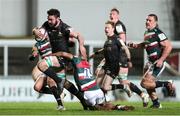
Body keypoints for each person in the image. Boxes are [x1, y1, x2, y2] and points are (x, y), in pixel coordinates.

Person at [52, 39, 134, 111]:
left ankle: (94, 106)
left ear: (79, 54)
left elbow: (63, 53)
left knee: (92, 107)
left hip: (88, 93)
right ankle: (118, 107)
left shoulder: (76, 60)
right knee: (106, 105)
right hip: (98, 90)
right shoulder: (86, 63)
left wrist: (52, 55)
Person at [32, 8, 88, 110]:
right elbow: (38, 31)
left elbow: (79, 35)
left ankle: (58, 81)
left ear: (58, 19)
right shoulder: (46, 25)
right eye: (48, 19)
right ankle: (84, 102)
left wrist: (81, 47)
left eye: (51, 19)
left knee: (41, 64)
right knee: (62, 83)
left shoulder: (64, 28)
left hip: (64, 58)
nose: (49, 21)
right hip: (56, 57)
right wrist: (35, 31)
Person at [95, 8, 149, 107]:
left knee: (121, 81)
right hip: (115, 58)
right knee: (101, 75)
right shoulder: (111, 29)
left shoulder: (118, 26)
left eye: (114, 14)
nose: (111, 15)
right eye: (110, 14)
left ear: (118, 15)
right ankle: (106, 100)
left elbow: (122, 42)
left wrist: (124, 56)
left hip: (119, 58)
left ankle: (142, 94)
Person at [127, 14, 174, 108]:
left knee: (144, 84)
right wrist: (135, 45)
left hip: (157, 62)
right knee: (148, 84)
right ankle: (156, 103)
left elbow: (169, 46)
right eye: (146, 20)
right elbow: (145, 45)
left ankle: (167, 83)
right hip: (150, 62)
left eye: (150, 20)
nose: (147, 21)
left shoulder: (158, 32)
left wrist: (161, 59)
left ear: (155, 22)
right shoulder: (147, 33)